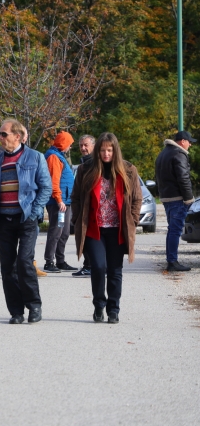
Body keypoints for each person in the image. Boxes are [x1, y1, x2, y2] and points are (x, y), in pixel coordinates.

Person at [0, 118, 52, 324]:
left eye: (4, 134)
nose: (0, 137)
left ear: (17, 136)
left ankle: (34, 306)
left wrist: (35, 211)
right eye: (0, 134)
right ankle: (16, 311)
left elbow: (46, 187)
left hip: (26, 219)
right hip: (4, 221)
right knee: (7, 266)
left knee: (24, 262)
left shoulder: (35, 158)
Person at [71, 132, 142, 323]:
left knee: (114, 269)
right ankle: (99, 305)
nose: (106, 154)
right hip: (94, 228)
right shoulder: (86, 169)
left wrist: (132, 221)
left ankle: (113, 309)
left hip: (118, 229)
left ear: (115, 151)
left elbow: (137, 198)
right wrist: (77, 219)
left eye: (109, 150)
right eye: (102, 150)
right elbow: (76, 197)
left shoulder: (128, 170)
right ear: (97, 151)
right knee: (98, 266)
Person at [155, 131, 196, 271]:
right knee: (175, 231)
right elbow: (183, 178)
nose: (190, 144)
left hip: (166, 198)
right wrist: (189, 198)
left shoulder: (163, 153)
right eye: (189, 141)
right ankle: (172, 262)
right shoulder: (179, 154)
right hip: (177, 198)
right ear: (183, 141)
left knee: (172, 230)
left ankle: (171, 260)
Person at [43, 131, 78, 274]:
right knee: (56, 231)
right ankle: (49, 261)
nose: (70, 147)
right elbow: (53, 181)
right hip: (58, 203)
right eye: (69, 144)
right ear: (63, 144)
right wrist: (59, 200)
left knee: (64, 232)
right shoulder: (53, 157)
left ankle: (60, 260)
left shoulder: (59, 156)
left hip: (65, 202)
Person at [72, 135, 95, 277]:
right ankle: (88, 265)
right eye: (81, 145)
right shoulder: (83, 166)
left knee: (91, 239)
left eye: (86, 145)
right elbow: (77, 192)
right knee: (85, 238)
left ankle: (92, 266)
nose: (83, 148)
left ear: (93, 145)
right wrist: (76, 214)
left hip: (94, 209)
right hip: (83, 209)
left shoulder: (96, 164)